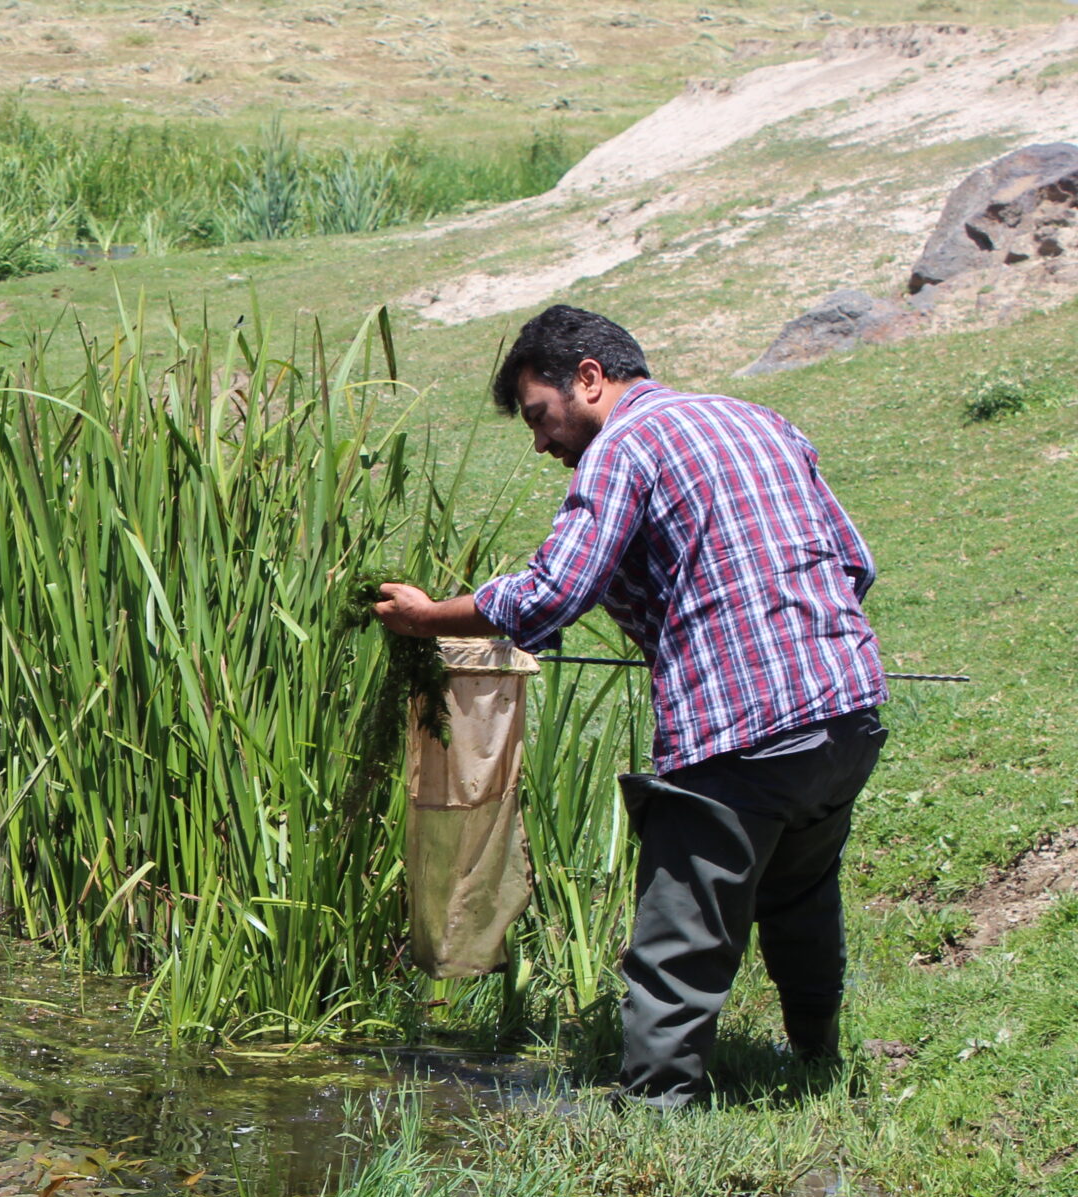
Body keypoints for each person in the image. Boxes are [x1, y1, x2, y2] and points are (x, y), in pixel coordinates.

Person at [371, 304, 886, 1107]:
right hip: (848, 711)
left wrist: (430, 617)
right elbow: (855, 563)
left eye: (539, 416)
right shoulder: (760, 420)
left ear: (589, 378)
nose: (540, 442)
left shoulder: (625, 442)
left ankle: (655, 1111)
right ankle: (817, 1062)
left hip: (738, 732)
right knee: (800, 893)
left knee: (680, 935)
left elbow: (553, 592)